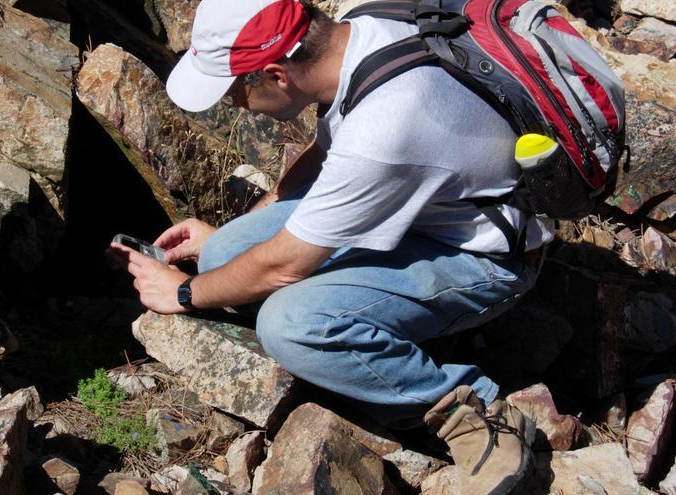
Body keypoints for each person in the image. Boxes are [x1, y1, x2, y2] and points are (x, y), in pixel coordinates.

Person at [108, 0, 554, 492]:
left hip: (486, 257)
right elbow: (325, 153)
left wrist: (184, 293)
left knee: (292, 324)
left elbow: (283, 267)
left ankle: (472, 414)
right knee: (225, 257)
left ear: (276, 76)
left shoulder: (385, 129)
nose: (233, 105)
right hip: (423, 210)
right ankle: (373, 326)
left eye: (234, 90)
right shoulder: (362, 29)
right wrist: (238, 237)